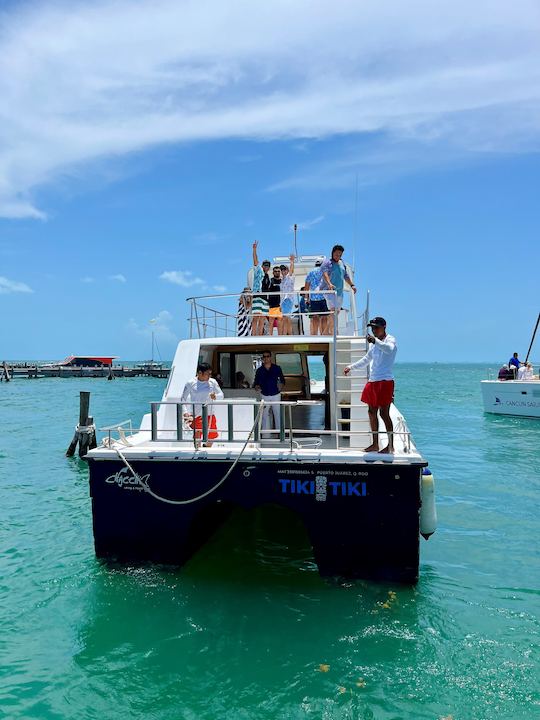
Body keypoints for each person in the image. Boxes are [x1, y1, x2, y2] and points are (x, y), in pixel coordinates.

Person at [344, 317, 397, 454]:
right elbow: (366, 359)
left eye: (376, 327)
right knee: (371, 412)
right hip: (373, 381)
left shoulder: (390, 340)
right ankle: (375, 444)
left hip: (385, 381)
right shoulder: (375, 345)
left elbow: (389, 349)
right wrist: (351, 367)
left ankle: (390, 446)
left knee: (384, 413)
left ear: (384, 327)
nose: (374, 330)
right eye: (372, 328)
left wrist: (375, 341)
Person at [181, 362, 224, 446]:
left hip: (210, 415)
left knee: (211, 438)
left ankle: (206, 451)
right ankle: (197, 453)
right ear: (200, 373)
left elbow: (221, 395)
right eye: (207, 374)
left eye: (210, 374)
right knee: (197, 438)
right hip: (197, 415)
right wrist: (185, 412)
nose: (209, 376)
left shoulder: (213, 382)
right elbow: (183, 399)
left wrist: (215, 396)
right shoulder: (190, 383)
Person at [320, 245, 357, 335]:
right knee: (333, 311)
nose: (338, 257)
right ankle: (334, 332)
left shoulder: (341, 263)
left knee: (336, 312)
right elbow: (325, 274)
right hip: (329, 290)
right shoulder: (327, 262)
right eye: (336, 254)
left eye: (340, 255)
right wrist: (329, 284)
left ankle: (325, 332)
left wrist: (352, 285)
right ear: (332, 253)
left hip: (339, 291)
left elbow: (345, 276)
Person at [253, 351, 285, 438]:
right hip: (264, 395)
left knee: (278, 414)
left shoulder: (277, 368)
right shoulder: (259, 371)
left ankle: (280, 435)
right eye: (264, 356)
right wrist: (257, 387)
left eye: (267, 356)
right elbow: (256, 383)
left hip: (276, 395)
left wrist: (280, 387)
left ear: (270, 357)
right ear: (262, 358)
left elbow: (282, 380)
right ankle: (265, 435)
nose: (266, 358)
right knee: (264, 415)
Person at [251, 241, 271, 336]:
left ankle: (259, 335)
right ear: (262, 266)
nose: (266, 266)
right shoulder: (259, 270)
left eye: (268, 265)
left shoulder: (268, 276)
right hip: (258, 295)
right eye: (265, 265)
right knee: (256, 317)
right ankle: (254, 335)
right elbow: (255, 261)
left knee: (262, 318)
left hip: (265, 299)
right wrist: (254, 249)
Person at [304, 259, 328, 335]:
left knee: (315, 317)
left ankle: (314, 335)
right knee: (324, 317)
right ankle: (323, 334)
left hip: (313, 298)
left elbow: (306, 287)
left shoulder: (310, 273)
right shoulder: (324, 272)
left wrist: (306, 298)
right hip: (324, 297)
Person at [280, 255, 296, 335]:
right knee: (285, 318)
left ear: (287, 270)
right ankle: (287, 334)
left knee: (287, 318)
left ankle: (288, 334)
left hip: (288, 299)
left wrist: (292, 261)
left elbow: (292, 271)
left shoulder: (289, 276)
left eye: (285, 269)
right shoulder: (281, 280)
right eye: (282, 269)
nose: (283, 271)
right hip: (283, 301)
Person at [267, 265, 282, 334]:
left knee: (280, 322)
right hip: (272, 304)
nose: (277, 272)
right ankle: (270, 337)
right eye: (275, 271)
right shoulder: (270, 281)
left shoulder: (282, 281)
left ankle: (280, 337)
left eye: (278, 271)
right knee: (271, 322)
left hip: (280, 304)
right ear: (273, 272)